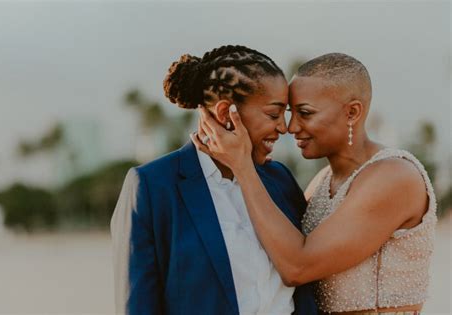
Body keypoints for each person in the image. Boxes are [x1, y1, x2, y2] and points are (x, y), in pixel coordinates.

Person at [193, 53, 436, 314]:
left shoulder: (394, 177)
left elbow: (298, 267)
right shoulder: (319, 184)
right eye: (289, 113)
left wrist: (242, 166)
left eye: (305, 113)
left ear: (352, 112)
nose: (291, 127)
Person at [110, 45, 318, 315]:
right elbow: (138, 305)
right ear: (225, 114)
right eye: (273, 114)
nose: (283, 127)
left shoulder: (280, 179)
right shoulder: (152, 187)